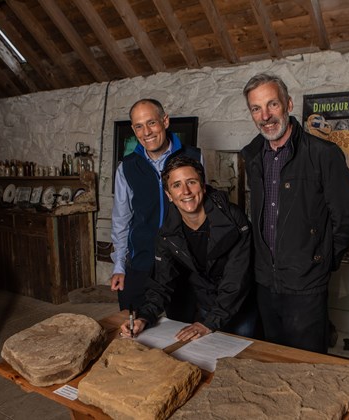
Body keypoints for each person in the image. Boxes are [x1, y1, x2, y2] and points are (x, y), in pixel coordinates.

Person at [240, 73, 349, 353]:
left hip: (306, 285)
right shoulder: (253, 156)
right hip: (265, 284)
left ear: (289, 104)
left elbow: (348, 216)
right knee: (271, 361)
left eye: (272, 105)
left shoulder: (322, 154)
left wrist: (321, 260)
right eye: (256, 108)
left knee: (308, 367)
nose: (266, 116)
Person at [119, 155, 256, 340]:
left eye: (191, 182)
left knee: (245, 357)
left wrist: (210, 322)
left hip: (240, 307)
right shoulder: (167, 232)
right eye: (176, 185)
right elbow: (161, 283)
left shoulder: (234, 220)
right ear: (168, 195)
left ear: (203, 186)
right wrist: (144, 317)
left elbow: (237, 280)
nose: (186, 191)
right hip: (207, 305)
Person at [110, 99, 202, 312]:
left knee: (182, 335)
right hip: (141, 263)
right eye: (139, 126)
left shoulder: (194, 157)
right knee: (133, 329)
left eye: (151, 123)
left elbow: (204, 211)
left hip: (183, 265)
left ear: (165, 121)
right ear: (133, 129)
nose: (147, 132)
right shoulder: (126, 167)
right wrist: (119, 266)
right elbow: (121, 220)